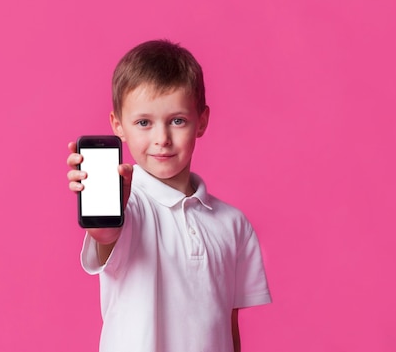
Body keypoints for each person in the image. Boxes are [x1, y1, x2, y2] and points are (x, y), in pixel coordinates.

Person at [66, 39, 271, 352]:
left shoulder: (234, 225)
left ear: (201, 121)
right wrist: (107, 203)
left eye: (177, 121)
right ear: (118, 125)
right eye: (144, 123)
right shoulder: (129, 206)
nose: (162, 139)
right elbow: (105, 233)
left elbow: (229, 330)